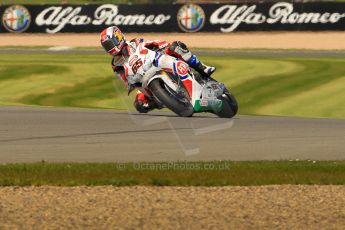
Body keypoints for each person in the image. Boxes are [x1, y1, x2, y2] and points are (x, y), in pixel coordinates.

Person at [100, 26, 216, 113]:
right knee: (139, 105)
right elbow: (124, 79)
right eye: (107, 47)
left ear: (118, 37)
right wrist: (129, 85)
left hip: (156, 61)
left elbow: (151, 43)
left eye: (110, 44)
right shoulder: (116, 64)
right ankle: (161, 101)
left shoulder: (135, 43)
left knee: (176, 46)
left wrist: (162, 45)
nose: (110, 48)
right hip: (142, 80)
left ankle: (202, 68)